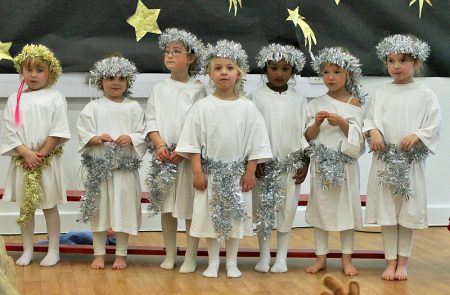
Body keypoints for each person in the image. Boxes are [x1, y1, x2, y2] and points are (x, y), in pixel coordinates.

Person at [176, 40, 272, 278]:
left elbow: (256, 141)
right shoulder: (202, 107)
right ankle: (213, 261)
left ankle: (231, 262)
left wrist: (250, 171)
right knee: (209, 220)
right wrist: (197, 172)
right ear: (210, 73)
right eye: (218, 68)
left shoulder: (247, 108)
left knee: (233, 220)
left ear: (239, 72)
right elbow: (193, 142)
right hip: (209, 175)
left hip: (237, 176)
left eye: (229, 68)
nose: (224, 73)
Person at [363, 34, 441, 281]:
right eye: (390, 60)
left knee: (407, 213)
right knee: (388, 213)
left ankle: (403, 263)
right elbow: (370, 119)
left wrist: (417, 135)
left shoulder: (425, 94)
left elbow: (433, 124)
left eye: (403, 60)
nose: (396, 66)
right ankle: (389, 261)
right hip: (385, 162)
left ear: (416, 63)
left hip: (410, 163)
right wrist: (373, 131)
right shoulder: (380, 93)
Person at [0, 44, 70, 267]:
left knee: (49, 205)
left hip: (45, 161)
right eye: (28, 70)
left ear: (50, 73)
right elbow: (10, 129)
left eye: (39, 70)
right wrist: (25, 153)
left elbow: (58, 129)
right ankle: (28, 249)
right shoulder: (15, 99)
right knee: (26, 207)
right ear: (22, 72)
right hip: (23, 161)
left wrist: (39, 154)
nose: (33, 75)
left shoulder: (55, 97)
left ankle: (53, 250)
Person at [145, 28, 206, 273]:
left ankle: (191, 256)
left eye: (177, 51)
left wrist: (183, 150)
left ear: (190, 58)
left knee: (189, 207)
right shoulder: (159, 88)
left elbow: (199, 123)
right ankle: (170, 253)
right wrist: (159, 145)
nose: (170, 55)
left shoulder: (198, 89)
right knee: (167, 207)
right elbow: (150, 120)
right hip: (164, 158)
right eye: (167, 51)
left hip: (187, 158)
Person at [77, 55, 147, 270]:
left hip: (124, 172)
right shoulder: (93, 108)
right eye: (110, 78)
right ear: (101, 81)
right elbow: (84, 133)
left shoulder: (134, 108)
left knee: (123, 210)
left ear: (128, 82)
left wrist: (131, 138)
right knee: (99, 210)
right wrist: (96, 139)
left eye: (121, 78)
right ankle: (98, 253)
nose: (116, 82)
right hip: (99, 171)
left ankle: (121, 253)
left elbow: (142, 133)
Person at [304, 47, 366, 276]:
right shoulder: (315, 103)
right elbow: (308, 136)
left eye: (337, 72)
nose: (330, 77)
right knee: (322, 211)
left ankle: (346, 259)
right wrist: (317, 124)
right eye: (326, 72)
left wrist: (341, 121)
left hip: (345, 166)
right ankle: (321, 257)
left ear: (347, 74)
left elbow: (359, 137)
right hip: (321, 165)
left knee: (346, 212)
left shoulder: (354, 103)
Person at [249, 43, 309, 273]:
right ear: (266, 69)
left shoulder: (299, 99)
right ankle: (264, 256)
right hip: (263, 165)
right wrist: (253, 161)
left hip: (290, 165)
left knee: (287, 210)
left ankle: (281, 256)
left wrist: (306, 160)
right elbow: (250, 131)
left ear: (293, 71)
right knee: (262, 211)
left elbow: (305, 131)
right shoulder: (255, 98)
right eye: (274, 67)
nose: (279, 73)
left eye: (285, 68)